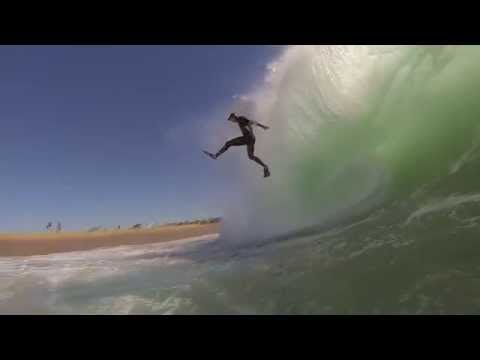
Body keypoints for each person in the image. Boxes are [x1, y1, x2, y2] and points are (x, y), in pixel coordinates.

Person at [204, 113, 271, 177]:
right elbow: (251, 122)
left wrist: (254, 130)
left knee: (228, 143)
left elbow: (251, 122)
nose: (232, 122)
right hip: (250, 139)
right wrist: (262, 127)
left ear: (233, 117)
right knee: (251, 156)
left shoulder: (240, 118)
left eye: (231, 120)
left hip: (248, 137)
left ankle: (216, 155)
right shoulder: (240, 120)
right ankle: (265, 166)